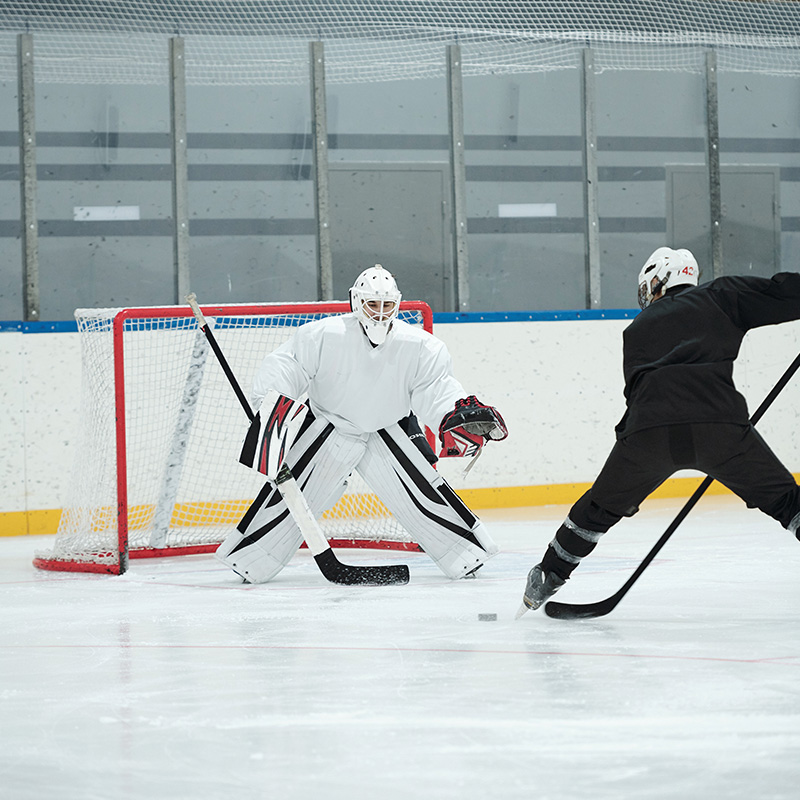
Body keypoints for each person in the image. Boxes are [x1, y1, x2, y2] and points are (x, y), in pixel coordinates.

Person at [518, 246, 800, 614]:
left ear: (660, 280)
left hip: (648, 433)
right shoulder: (722, 296)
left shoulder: (636, 328)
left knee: (599, 508)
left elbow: (634, 392)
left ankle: (547, 577)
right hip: (719, 428)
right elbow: (784, 293)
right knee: (787, 502)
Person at [218, 264, 508, 583]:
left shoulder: (422, 346)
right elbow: (287, 366)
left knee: (425, 495)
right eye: (373, 304)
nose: (380, 313)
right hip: (328, 427)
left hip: (389, 428)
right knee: (290, 497)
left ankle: (466, 557)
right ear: (357, 301)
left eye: (387, 305)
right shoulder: (322, 335)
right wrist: (273, 402)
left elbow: (436, 388)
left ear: (397, 304)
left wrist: (454, 413)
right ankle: (250, 561)